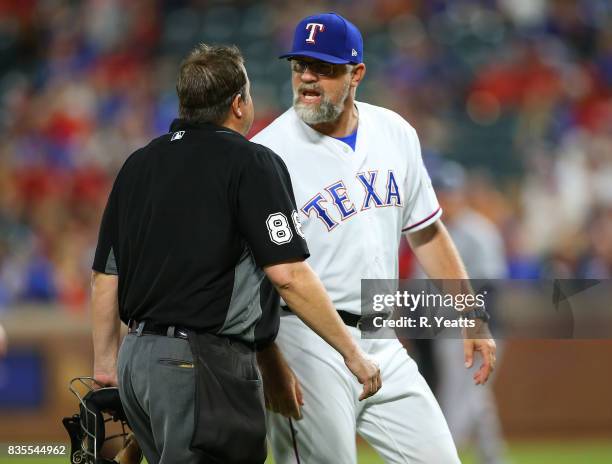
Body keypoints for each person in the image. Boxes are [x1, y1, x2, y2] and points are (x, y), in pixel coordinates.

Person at [91, 44, 380, 464]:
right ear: (239, 104)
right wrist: (353, 353)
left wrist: (105, 368)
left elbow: (105, 277)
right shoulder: (251, 162)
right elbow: (287, 275)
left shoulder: (138, 164)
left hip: (138, 361)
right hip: (203, 364)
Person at [252, 13, 496, 464]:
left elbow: (427, 232)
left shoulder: (395, 132)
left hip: (382, 336)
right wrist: (270, 360)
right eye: (299, 65)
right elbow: (258, 276)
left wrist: (470, 314)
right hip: (306, 342)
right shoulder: (266, 154)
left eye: (323, 68)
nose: (307, 77)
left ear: (356, 73)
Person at [431, 162, 509, 464]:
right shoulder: (433, 232)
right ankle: (493, 458)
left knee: (459, 399)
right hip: (444, 329)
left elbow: (491, 285)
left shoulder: (478, 231)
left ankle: (442, 457)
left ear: (461, 194)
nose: (445, 199)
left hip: (473, 330)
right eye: (440, 192)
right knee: (476, 398)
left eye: (450, 192)